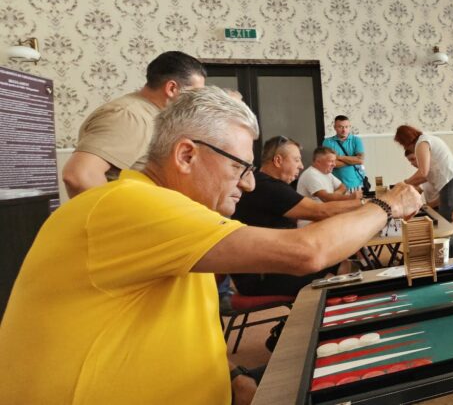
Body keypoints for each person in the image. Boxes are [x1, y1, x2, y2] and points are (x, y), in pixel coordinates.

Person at [0, 87, 422, 404]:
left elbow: (178, 325)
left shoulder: (183, 220)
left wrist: (232, 376)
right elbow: (307, 252)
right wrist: (388, 204)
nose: (249, 184)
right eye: (239, 167)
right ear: (186, 155)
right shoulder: (128, 204)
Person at [62, 51, 206, 198]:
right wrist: (120, 213)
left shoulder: (150, 115)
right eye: (194, 94)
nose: (195, 102)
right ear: (171, 88)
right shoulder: (129, 116)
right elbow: (79, 176)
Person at [230, 136, 362, 297]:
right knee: (332, 272)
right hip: (261, 277)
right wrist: (367, 205)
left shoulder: (265, 183)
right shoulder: (267, 186)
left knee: (340, 262)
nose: (301, 165)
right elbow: (321, 211)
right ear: (278, 160)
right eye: (297, 160)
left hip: (269, 267)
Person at [394, 125, 453, 222]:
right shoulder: (426, 139)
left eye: (402, 144)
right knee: (452, 218)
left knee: (447, 221)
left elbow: (423, 173)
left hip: (450, 180)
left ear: (405, 140)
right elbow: (425, 175)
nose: (404, 147)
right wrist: (407, 184)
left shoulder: (421, 143)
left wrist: (404, 184)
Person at [296, 147, 361, 227]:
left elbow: (343, 187)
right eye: (331, 161)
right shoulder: (311, 174)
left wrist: (335, 195)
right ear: (318, 162)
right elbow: (326, 198)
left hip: (322, 219)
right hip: (309, 223)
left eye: (334, 161)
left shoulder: (327, 173)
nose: (334, 164)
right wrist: (350, 197)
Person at [322, 115, 367, 194]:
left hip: (355, 184)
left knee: (356, 202)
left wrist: (339, 157)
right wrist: (353, 160)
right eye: (340, 127)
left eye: (346, 127)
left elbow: (360, 160)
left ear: (350, 127)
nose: (344, 130)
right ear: (335, 127)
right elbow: (330, 164)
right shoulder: (328, 142)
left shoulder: (356, 140)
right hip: (335, 185)